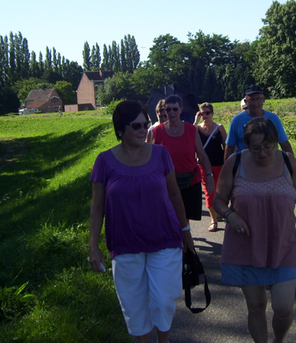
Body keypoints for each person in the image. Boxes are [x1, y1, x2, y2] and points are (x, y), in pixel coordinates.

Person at [89, 100, 194, 343]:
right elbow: (97, 207)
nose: (143, 130)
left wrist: (186, 230)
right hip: (125, 244)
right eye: (136, 126)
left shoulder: (160, 154)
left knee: (163, 299)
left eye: (145, 124)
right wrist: (93, 245)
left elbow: (174, 194)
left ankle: (164, 340)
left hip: (165, 239)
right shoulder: (104, 161)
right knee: (133, 305)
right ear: (120, 129)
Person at [214, 117, 296, 343]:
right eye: (256, 148)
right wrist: (229, 214)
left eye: (268, 146)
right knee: (256, 307)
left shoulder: (288, 162)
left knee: (284, 309)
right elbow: (218, 200)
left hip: (283, 246)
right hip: (246, 247)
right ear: (247, 145)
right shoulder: (235, 163)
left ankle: (278, 340)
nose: (262, 152)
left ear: (276, 142)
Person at [148, 94, 215, 223]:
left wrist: (209, 175)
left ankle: (186, 241)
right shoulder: (157, 131)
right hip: (167, 183)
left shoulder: (191, 130)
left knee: (185, 218)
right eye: (168, 109)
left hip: (189, 181)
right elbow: (151, 158)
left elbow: (202, 155)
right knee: (169, 218)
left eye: (175, 109)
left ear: (181, 110)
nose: (171, 112)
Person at [225, 85, 293, 161]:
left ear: (263, 99)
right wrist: (227, 168)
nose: (255, 103)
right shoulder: (237, 120)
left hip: (270, 164)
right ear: (245, 102)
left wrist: (291, 165)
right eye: (251, 100)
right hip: (245, 164)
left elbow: (284, 143)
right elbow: (230, 146)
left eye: (258, 99)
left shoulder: (273, 118)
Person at [193, 102, 227, 231]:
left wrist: (227, 162)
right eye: (202, 113)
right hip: (203, 165)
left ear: (212, 114)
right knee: (208, 192)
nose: (205, 116)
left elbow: (226, 146)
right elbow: (189, 135)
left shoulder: (219, 128)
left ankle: (219, 211)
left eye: (207, 113)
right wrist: (195, 121)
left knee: (220, 190)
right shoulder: (196, 129)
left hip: (219, 164)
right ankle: (213, 220)